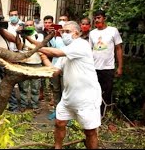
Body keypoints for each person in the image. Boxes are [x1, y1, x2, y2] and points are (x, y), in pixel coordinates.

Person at [38, 21, 102, 149]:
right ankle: (57, 147)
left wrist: (35, 47)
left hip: (86, 99)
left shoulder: (82, 45)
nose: (64, 34)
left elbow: (56, 53)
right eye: (63, 32)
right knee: (59, 123)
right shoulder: (66, 51)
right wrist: (44, 57)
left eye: (68, 32)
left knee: (89, 132)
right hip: (68, 98)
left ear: (76, 34)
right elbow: (55, 72)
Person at [89, 10, 123, 116]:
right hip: (94, 67)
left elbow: (118, 49)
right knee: (93, 91)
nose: (96, 20)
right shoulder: (92, 33)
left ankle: (103, 114)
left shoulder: (113, 31)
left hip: (108, 67)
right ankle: (93, 114)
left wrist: (120, 67)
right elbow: (89, 50)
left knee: (107, 92)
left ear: (104, 18)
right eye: (95, 18)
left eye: (99, 17)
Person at [15, 19, 44, 113]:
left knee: (36, 87)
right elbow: (19, 47)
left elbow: (39, 45)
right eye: (27, 25)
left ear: (34, 26)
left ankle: (35, 105)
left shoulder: (38, 35)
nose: (29, 27)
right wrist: (17, 34)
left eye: (31, 25)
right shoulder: (22, 36)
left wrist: (27, 37)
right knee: (23, 87)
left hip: (36, 64)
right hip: (24, 63)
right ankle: (23, 105)